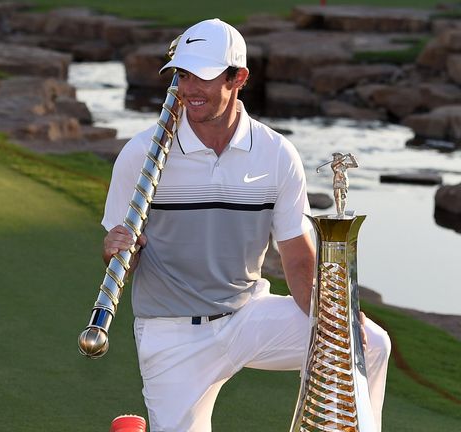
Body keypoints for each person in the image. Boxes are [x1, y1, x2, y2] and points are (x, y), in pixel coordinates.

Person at [101, 19, 391, 431]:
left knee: (369, 344)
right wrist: (116, 251)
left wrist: (334, 321)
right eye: (182, 75)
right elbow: (119, 259)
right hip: (172, 331)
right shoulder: (140, 156)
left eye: (202, 76)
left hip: (247, 314)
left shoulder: (276, 154)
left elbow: (298, 260)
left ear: (238, 78)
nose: (188, 89)